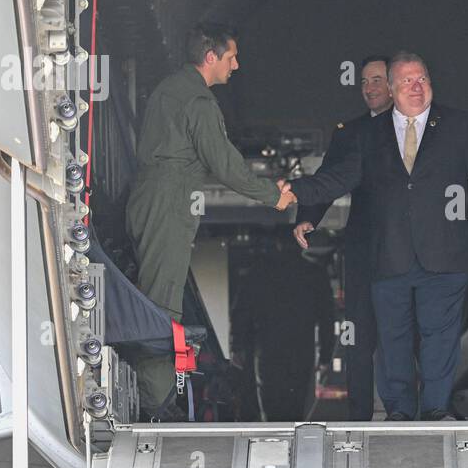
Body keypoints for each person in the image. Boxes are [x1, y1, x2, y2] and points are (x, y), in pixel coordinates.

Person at [284, 52, 468, 420]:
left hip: (447, 254)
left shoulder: (460, 124)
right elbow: (338, 177)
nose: (416, 88)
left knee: (439, 338)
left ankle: (435, 409)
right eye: (406, 82)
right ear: (392, 89)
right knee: (392, 339)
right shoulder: (367, 135)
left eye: (422, 80)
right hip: (388, 254)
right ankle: (398, 412)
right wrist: (294, 191)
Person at [125, 21, 295, 416]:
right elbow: (224, 163)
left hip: (151, 200)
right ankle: (158, 404)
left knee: (158, 295)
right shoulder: (198, 102)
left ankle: (163, 392)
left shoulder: (169, 90)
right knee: (163, 306)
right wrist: (274, 196)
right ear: (210, 56)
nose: (236, 66)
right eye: (231, 57)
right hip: (167, 205)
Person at [293, 54, 392, 421]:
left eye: (377, 80)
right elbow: (328, 178)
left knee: (405, 332)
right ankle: (361, 415)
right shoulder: (349, 133)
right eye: (364, 81)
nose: (369, 88)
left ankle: (408, 413)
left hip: (413, 251)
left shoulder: (420, 128)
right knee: (360, 333)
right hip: (365, 247)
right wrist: (308, 219)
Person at [231, 231, 334, 421]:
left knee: (270, 410)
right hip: (301, 350)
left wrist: (237, 346)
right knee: (297, 408)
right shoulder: (314, 274)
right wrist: (326, 356)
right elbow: (327, 317)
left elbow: (242, 313)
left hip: (268, 349)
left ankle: (274, 443)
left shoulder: (258, 273)